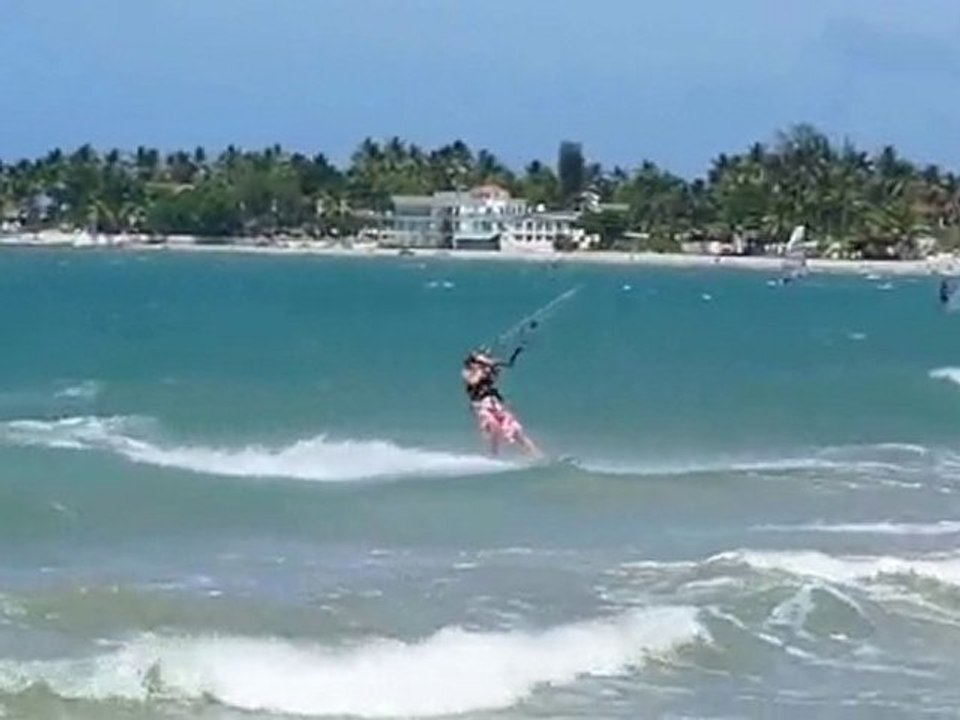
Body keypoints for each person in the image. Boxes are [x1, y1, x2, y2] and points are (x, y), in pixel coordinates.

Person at [462, 347, 541, 458]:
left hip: (494, 403)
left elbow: (500, 369)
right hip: (481, 405)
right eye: (478, 362)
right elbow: (473, 381)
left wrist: (492, 367)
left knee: (515, 429)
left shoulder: (487, 371)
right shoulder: (468, 373)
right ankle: (494, 455)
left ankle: (535, 454)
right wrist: (484, 369)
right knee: (493, 427)